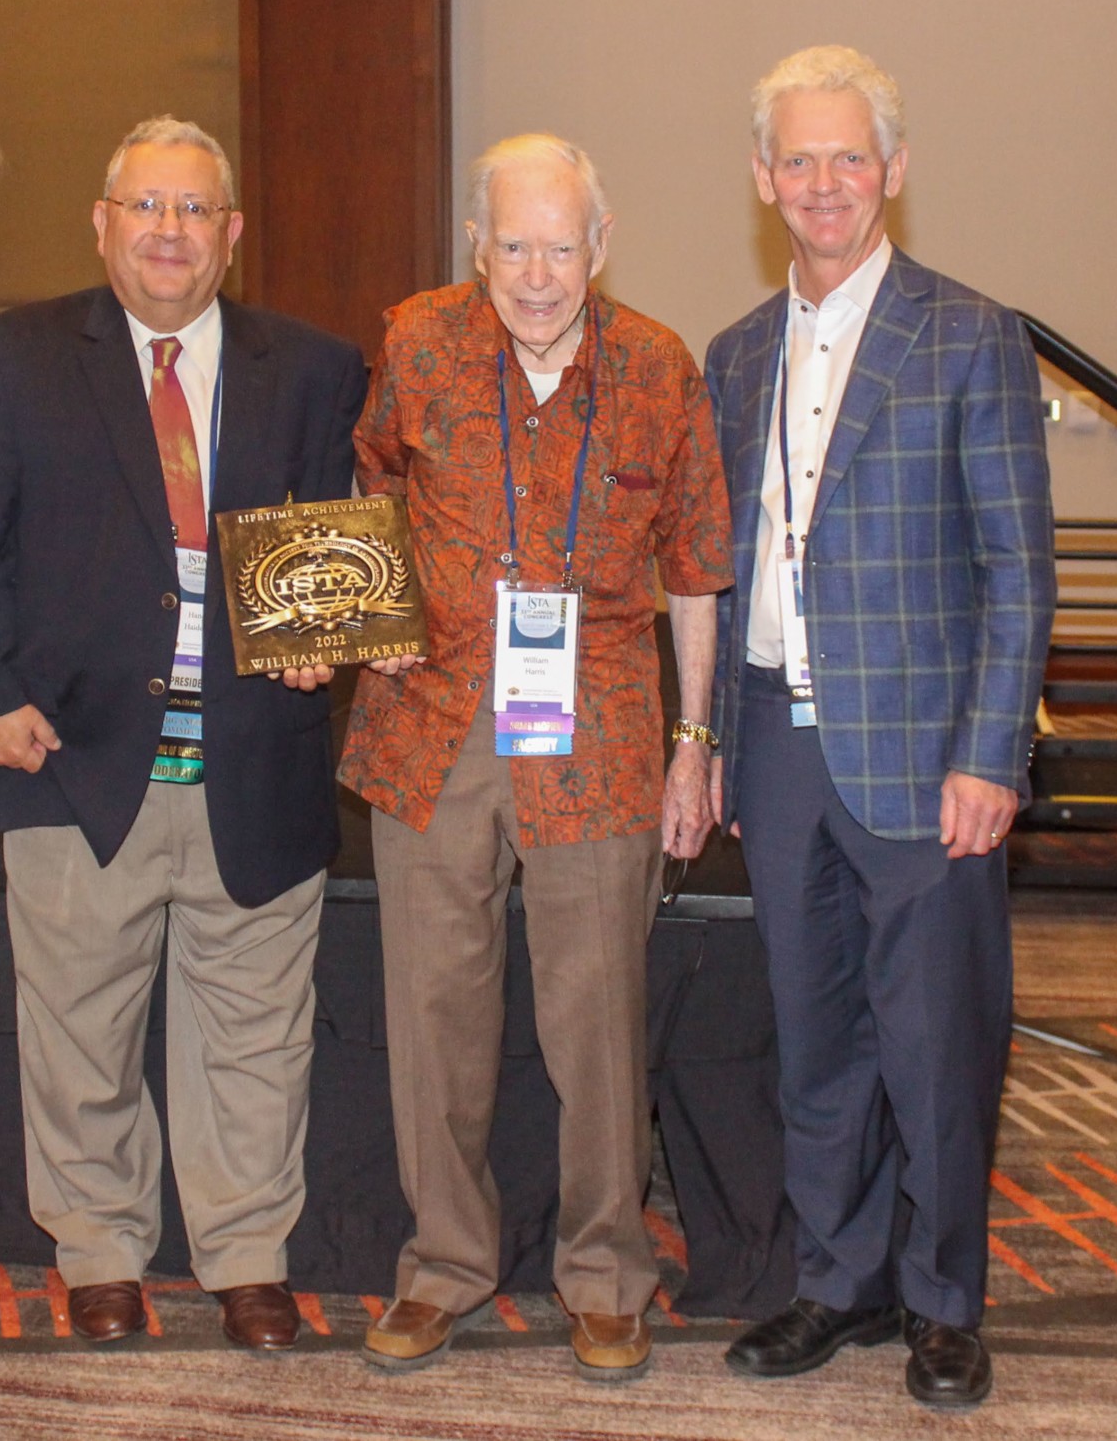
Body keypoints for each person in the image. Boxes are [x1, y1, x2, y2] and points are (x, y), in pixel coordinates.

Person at [0, 117, 368, 1353]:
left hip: (254, 759)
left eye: (194, 210)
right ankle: (100, 1251)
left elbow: (334, 539)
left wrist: (330, 634)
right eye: (146, 207)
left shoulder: (315, 367)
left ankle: (248, 1257)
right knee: (80, 1027)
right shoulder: (16, 356)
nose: (169, 232)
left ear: (232, 234)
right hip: (72, 755)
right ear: (102, 223)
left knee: (257, 1035)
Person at [342, 134, 732, 1381]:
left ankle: (605, 1275)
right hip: (430, 725)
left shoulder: (658, 367)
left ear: (600, 246)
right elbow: (369, 483)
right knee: (433, 1018)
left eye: (560, 247)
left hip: (599, 728)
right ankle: (443, 1267)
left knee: (597, 1021)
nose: (536, 274)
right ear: (477, 244)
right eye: (512, 245)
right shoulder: (416, 343)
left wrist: (694, 744)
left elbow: (696, 569)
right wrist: (368, 613)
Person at [703, 46, 1055, 1410]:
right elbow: (725, 568)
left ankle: (944, 1300)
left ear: (893, 170)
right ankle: (838, 1279)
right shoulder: (737, 355)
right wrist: (713, 743)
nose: (825, 182)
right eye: (799, 158)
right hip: (778, 749)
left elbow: (1018, 567)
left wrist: (991, 752)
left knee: (937, 1043)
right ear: (763, 179)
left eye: (849, 156)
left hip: (927, 756)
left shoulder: (970, 334)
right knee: (816, 1039)